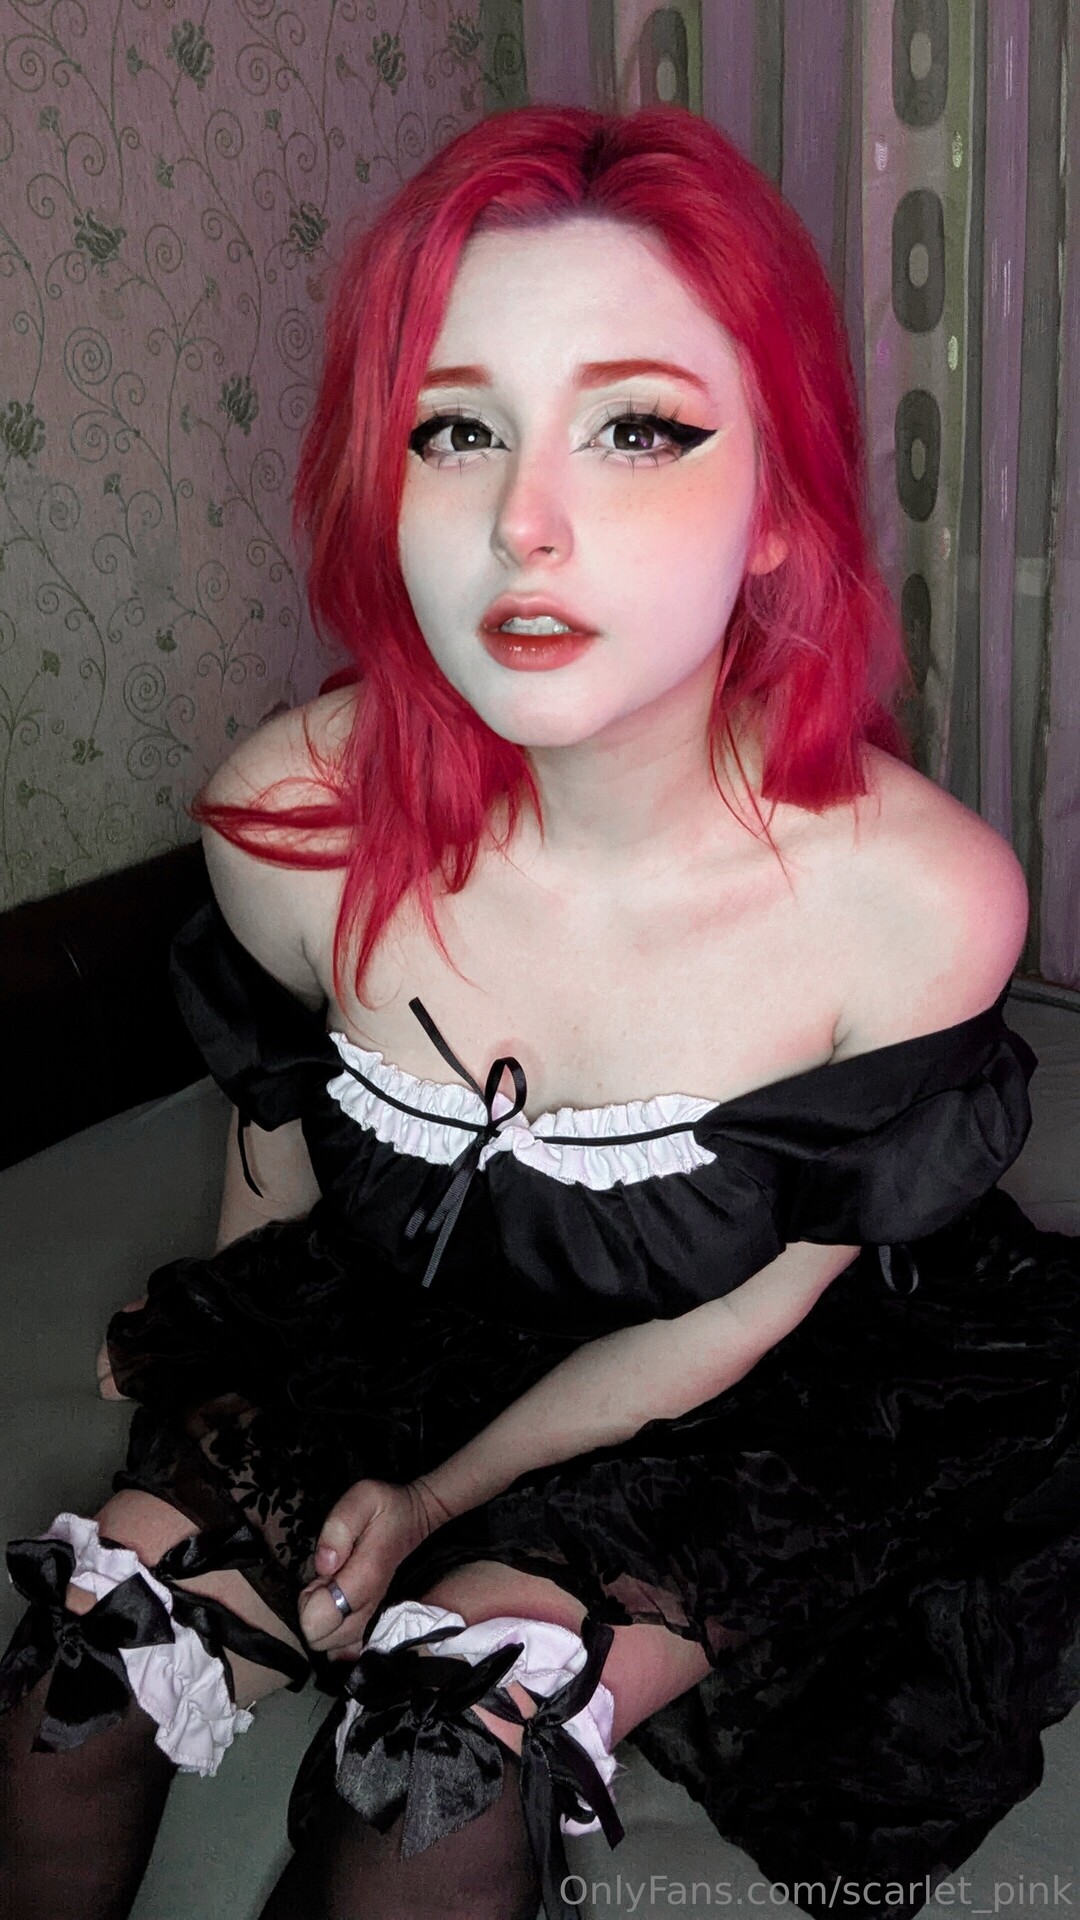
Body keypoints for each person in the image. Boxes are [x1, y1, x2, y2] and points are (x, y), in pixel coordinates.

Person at [1, 102, 1076, 1920]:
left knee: (430, 1783)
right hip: (400, 1315)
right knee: (67, 1699)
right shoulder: (288, 819)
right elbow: (278, 1114)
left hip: (728, 1391)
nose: (522, 523)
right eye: (458, 429)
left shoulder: (919, 906)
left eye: (638, 428)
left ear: (778, 506)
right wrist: (221, 1348)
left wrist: (435, 1502)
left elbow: (735, 1323)